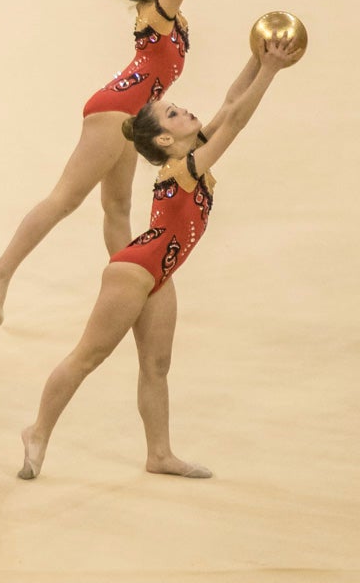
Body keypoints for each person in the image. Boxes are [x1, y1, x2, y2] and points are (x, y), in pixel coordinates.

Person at [17, 36, 301, 480]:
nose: (185, 110)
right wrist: (270, 72)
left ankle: (159, 454)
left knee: (156, 365)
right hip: (134, 271)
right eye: (173, 113)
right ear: (166, 138)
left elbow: (229, 104)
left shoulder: (191, 157)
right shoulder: (184, 168)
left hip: (160, 275)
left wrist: (256, 56)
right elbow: (237, 122)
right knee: (88, 356)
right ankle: (37, 430)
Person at [0, 0, 193, 325]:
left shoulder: (158, 4)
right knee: (65, 198)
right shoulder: (160, 10)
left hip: (128, 109)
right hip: (116, 108)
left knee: (117, 207)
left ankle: (134, 287)